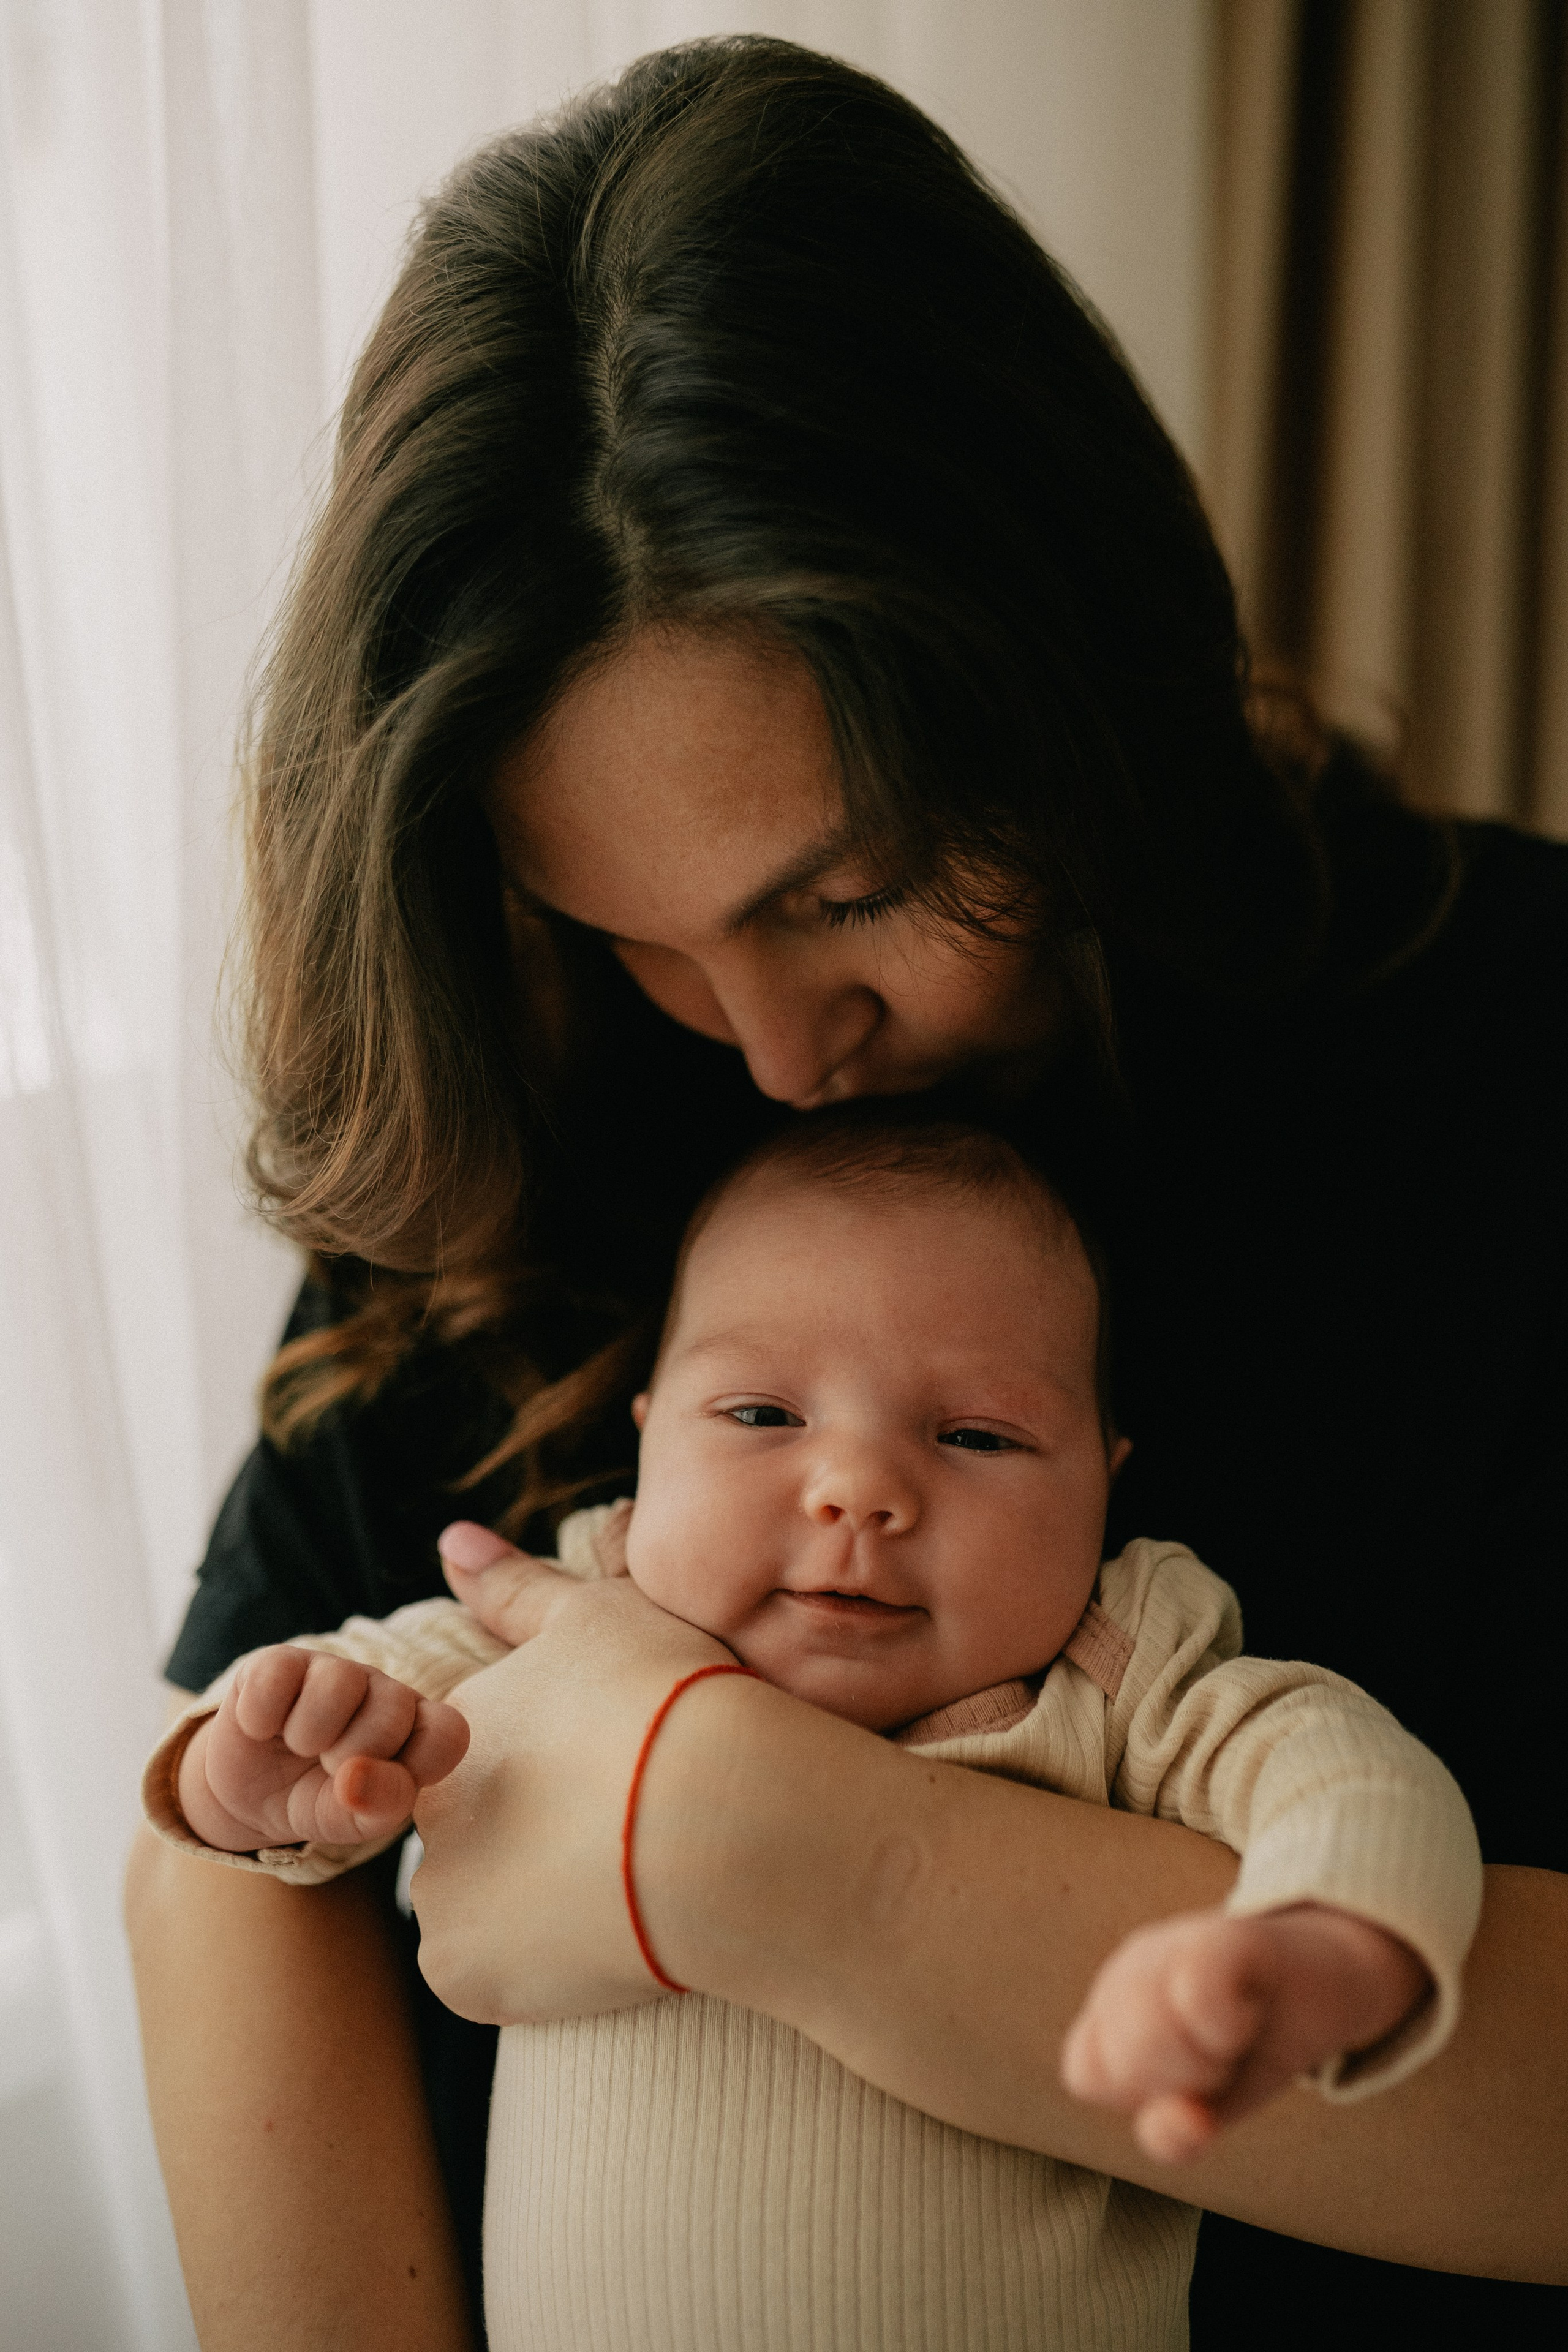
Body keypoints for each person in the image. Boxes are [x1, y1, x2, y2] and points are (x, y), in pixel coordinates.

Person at [122, 32, 1568, 2352]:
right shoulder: (543, 1085)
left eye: (855, 891)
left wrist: (775, 1859)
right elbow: (218, 1872)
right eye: (638, 931)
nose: (777, 1057)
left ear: (1066, 663)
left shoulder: (1507, 1070)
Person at [141, 1117, 1480, 2350]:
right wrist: (251, 1768)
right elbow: (329, 1698)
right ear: (651, 1443)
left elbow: (1349, 1771)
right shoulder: (564, 1625)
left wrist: (1325, 1939)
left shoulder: (1121, 1675)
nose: (855, 1489)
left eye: (975, 1435)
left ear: (1103, 1479)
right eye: (762, 1417)